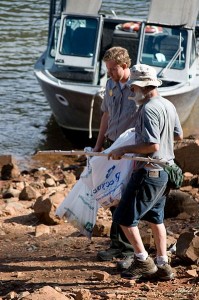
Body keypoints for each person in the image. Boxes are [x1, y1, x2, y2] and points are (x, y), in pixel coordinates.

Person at [108, 64, 183, 281]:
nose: (131, 92)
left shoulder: (148, 108)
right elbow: (177, 135)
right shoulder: (168, 104)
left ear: (142, 86)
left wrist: (123, 149)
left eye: (133, 88)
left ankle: (142, 260)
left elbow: (152, 145)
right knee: (155, 218)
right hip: (166, 172)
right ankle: (163, 265)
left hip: (150, 172)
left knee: (123, 217)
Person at [93, 46, 138, 266]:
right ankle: (116, 244)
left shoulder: (138, 87)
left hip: (129, 149)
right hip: (111, 145)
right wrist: (98, 146)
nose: (109, 73)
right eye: (107, 69)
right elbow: (106, 115)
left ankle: (129, 248)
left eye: (112, 69)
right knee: (112, 194)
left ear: (125, 66)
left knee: (125, 196)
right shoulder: (110, 84)